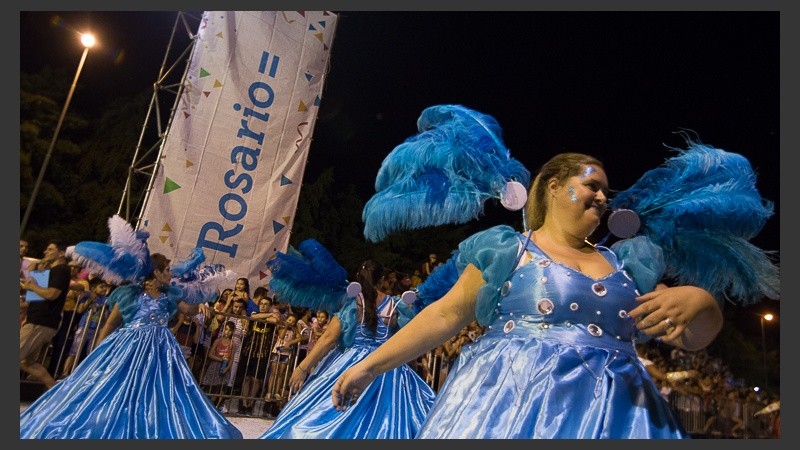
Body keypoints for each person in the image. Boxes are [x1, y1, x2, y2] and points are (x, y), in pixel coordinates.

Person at [332, 153, 733, 438]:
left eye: (606, 192)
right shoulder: (510, 249)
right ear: (555, 187)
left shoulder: (630, 265)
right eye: (591, 185)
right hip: (510, 408)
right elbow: (445, 316)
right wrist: (371, 366)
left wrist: (703, 303)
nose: (603, 198)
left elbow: (688, 337)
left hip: (616, 417)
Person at [20, 215, 241, 438]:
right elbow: (111, 322)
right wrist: (98, 348)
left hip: (160, 349)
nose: (170, 273)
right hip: (129, 345)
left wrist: (200, 295)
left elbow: (189, 311)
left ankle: (149, 421)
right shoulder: (132, 294)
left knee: (160, 390)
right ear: (156, 272)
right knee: (116, 386)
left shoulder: (169, 294)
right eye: (166, 270)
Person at [259, 245, 435, 439]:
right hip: (385, 364)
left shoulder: (352, 303)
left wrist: (303, 367)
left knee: (325, 410)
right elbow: (407, 339)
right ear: (383, 280)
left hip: (350, 362)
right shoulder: (396, 305)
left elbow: (329, 338)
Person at [19, 240, 71, 390]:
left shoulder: (61, 270)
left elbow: (52, 294)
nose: (45, 252)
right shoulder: (49, 271)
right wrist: (36, 272)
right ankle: (55, 393)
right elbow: (34, 298)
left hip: (41, 322)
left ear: (61, 253)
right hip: (36, 319)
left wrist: (33, 285)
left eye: (50, 250)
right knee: (27, 362)